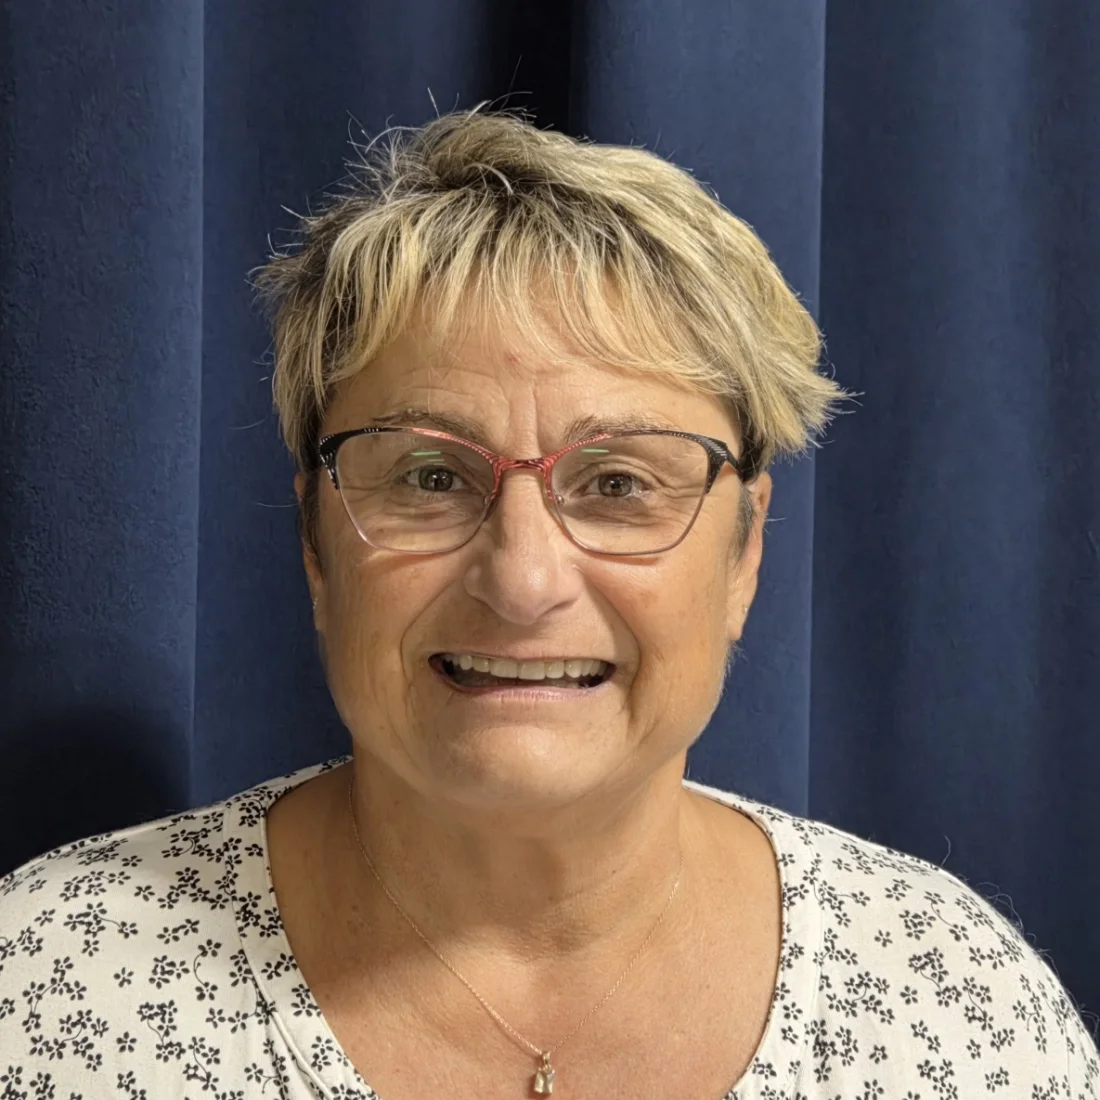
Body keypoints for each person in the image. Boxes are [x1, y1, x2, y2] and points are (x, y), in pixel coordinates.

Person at [1, 108, 1096, 1100]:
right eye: (431, 476)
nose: (522, 581)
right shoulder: (48, 994)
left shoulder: (956, 1008)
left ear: (744, 553)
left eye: (617, 484)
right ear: (315, 547)